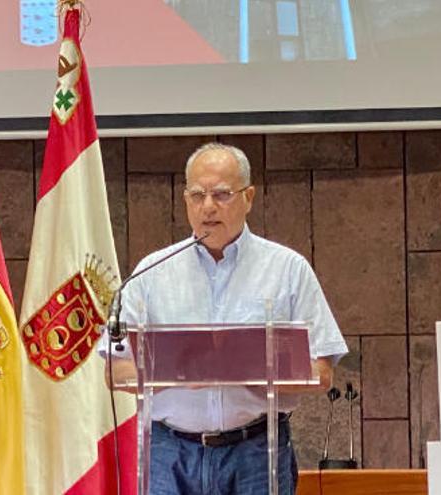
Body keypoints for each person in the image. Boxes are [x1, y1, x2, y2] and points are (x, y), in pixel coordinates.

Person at [104, 142, 348, 495]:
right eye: (197, 195)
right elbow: (115, 370)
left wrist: (243, 368)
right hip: (167, 453)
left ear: (248, 197)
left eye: (221, 194)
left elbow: (321, 371)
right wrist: (177, 372)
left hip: (256, 451)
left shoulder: (287, 269)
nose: (208, 207)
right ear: (185, 198)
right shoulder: (150, 273)